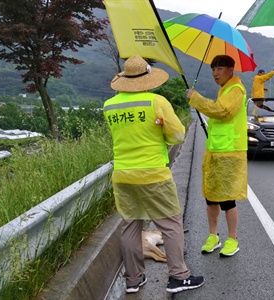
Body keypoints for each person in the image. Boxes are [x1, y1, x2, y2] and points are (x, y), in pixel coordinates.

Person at [103, 55, 204, 294]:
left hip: (123, 175)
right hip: (153, 174)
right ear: (147, 78)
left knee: (130, 225)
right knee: (170, 224)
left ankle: (133, 280)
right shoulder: (156, 101)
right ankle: (179, 276)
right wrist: (162, 137)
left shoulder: (110, 105)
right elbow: (177, 136)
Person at [187, 55, 248, 257]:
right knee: (211, 196)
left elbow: (223, 112)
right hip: (215, 150)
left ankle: (233, 239)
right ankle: (213, 236)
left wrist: (197, 99)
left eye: (220, 68)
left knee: (228, 198)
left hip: (230, 151)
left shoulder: (236, 90)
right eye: (213, 69)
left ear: (231, 70)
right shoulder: (223, 89)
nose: (215, 73)